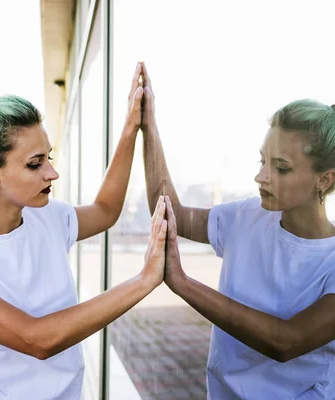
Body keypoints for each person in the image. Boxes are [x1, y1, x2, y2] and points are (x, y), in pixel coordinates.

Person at [0, 63, 168, 399]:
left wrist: (132, 128)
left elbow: (105, 211)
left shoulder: (48, 218)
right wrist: (144, 280)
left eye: (49, 158)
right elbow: (36, 340)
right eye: (35, 163)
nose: (52, 173)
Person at [140, 62, 335, 399]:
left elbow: (286, 341)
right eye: (263, 162)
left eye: (281, 168)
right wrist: (149, 128)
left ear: (324, 179)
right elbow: (172, 211)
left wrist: (183, 283)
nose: (261, 177)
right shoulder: (246, 217)